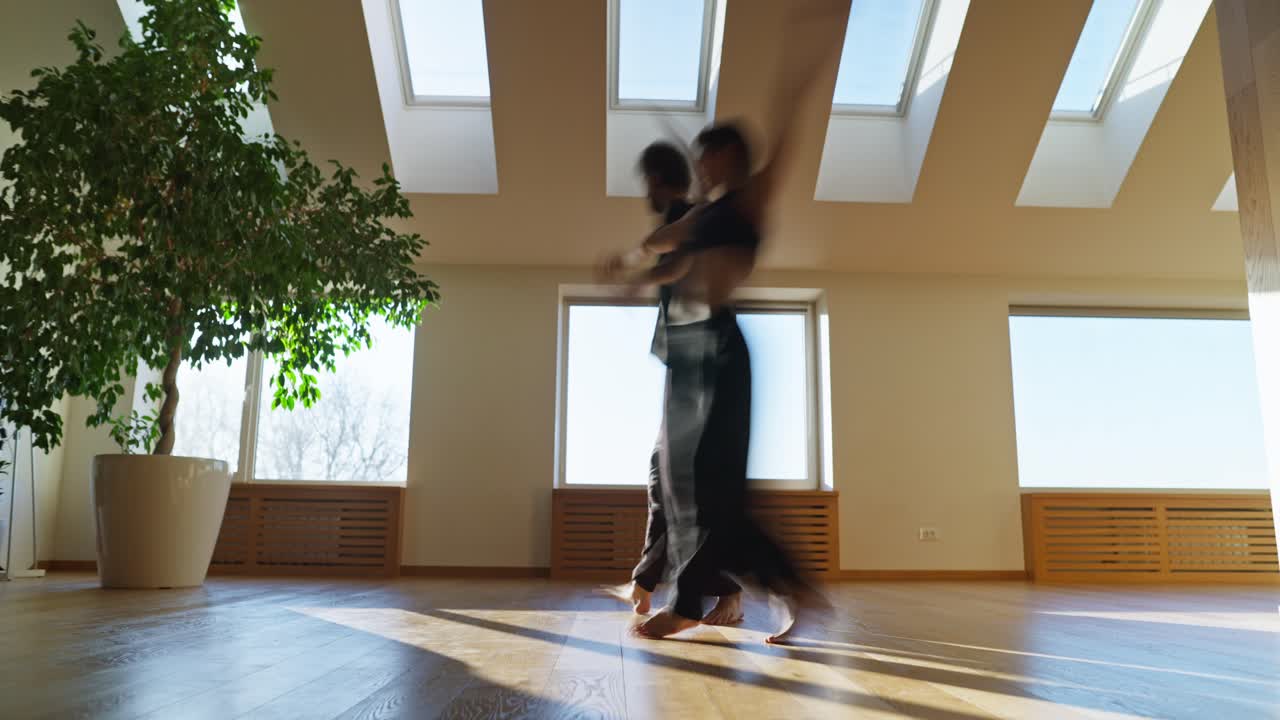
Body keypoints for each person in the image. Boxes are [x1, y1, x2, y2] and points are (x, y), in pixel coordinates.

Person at [598, 2, 845, 643]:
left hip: (719, 348)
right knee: (686, 488)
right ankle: (789, 592)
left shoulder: (749, 199)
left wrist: (807, 49)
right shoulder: (699, 219)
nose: (705, 166)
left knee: (710, 487)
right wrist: (627, 269)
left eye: (714, 157)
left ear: (734, 158)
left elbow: (788, 123)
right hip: (686, 351)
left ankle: (697, 599)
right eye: (701, 159)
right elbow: (659, 258)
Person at [596, 141, 745, 627]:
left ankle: (723, 592)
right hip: (688, 357)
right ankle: (644, 585)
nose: (646, 193)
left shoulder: (688, 216)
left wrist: (636, 270)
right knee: (665, 473)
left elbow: (675, 257)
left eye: (648, 183)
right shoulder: (684, 219)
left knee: (682, 479)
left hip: (702, 356)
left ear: (659, 180)